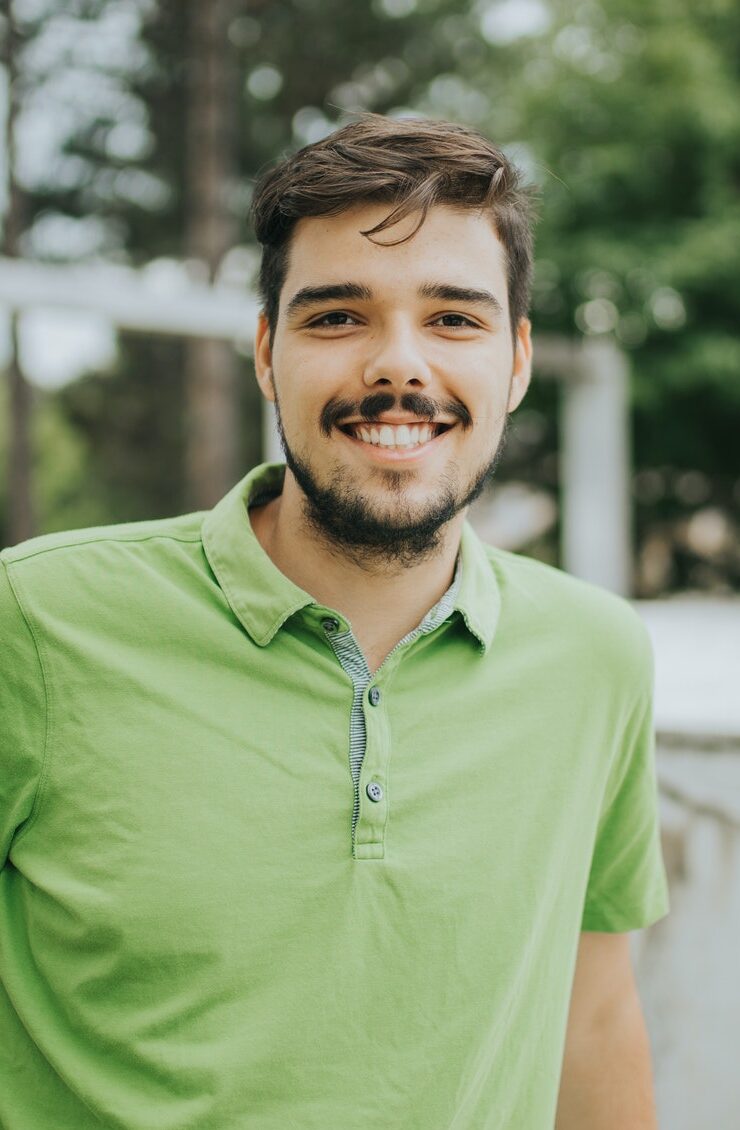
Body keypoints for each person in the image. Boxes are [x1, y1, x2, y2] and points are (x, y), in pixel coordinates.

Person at [0, 114, 669, 1130]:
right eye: (336, 317)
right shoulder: (36, 622)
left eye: (453, 318)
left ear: (518, 361)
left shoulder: (595, 656)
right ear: (267, 354)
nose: (397, 367)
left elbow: (592, 1019)